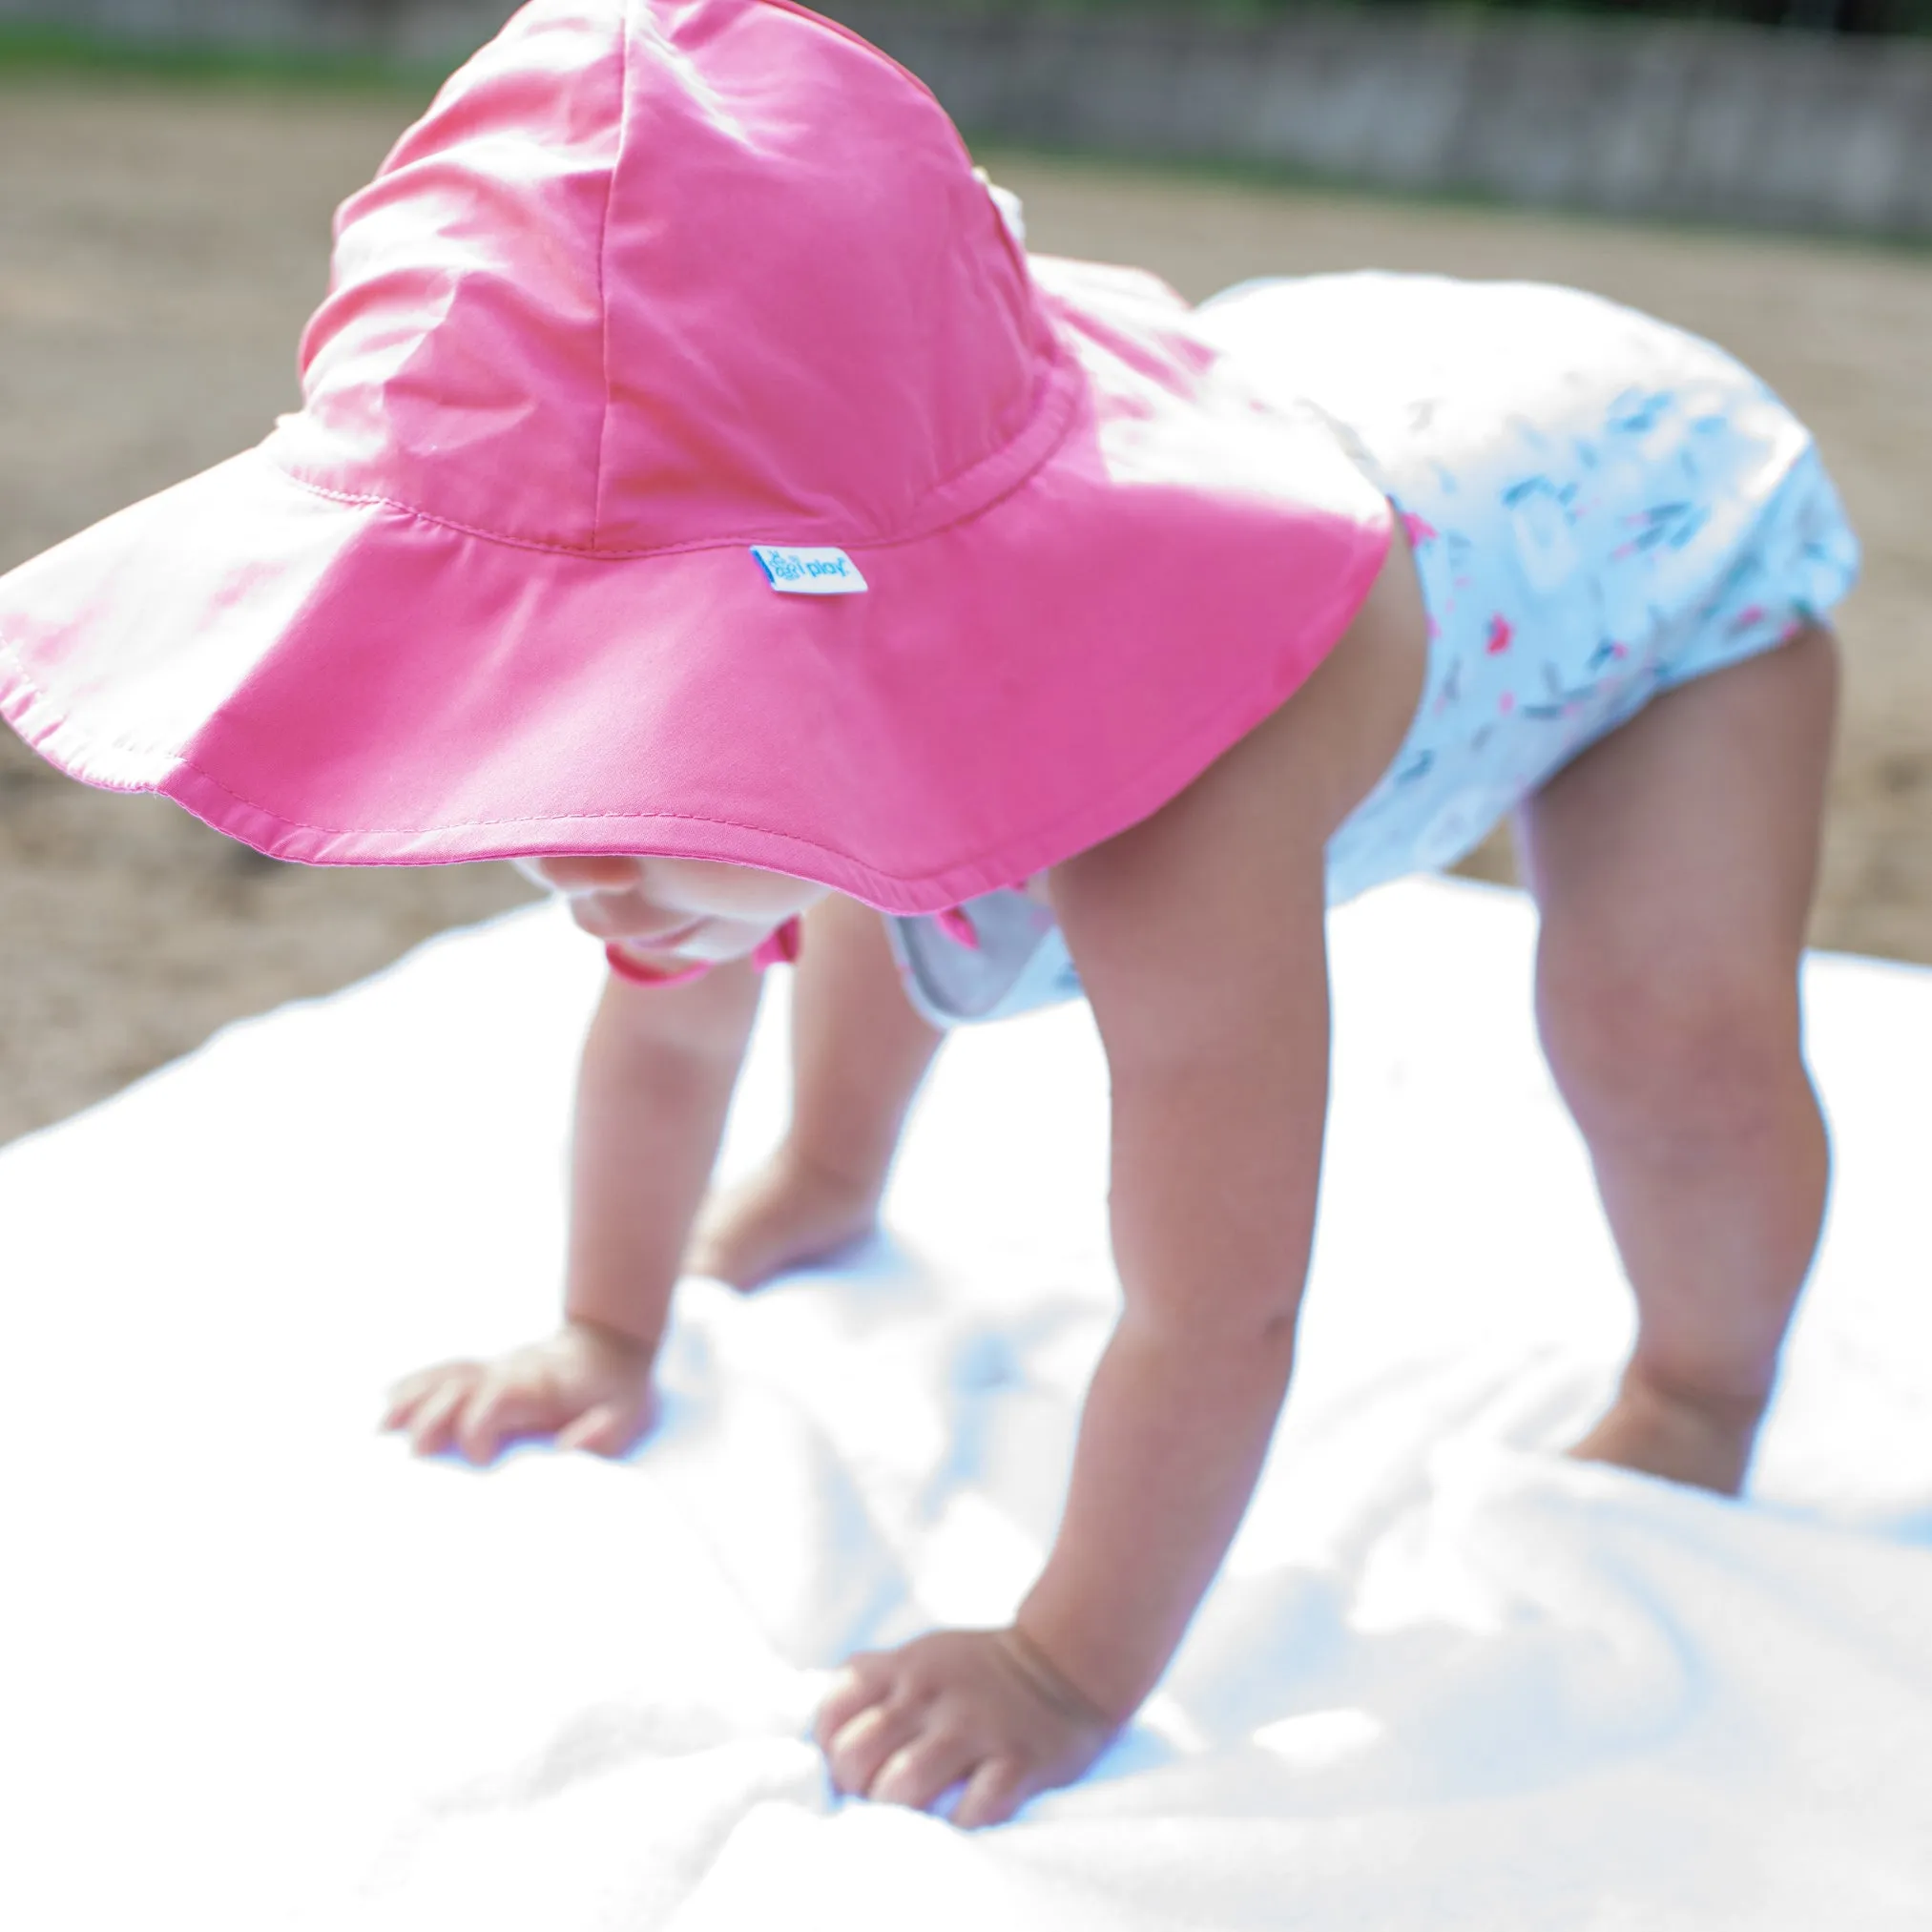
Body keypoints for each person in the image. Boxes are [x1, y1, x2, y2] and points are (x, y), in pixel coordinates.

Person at [0, 0, 1856, 1832]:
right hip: (1324, 383)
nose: (575, 858)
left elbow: (1219, 1306)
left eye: (642, 738)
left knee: (1662, 1039)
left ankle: (1702, 1376)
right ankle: (829, 1162)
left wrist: (1060, 1661)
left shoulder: (1183, 795)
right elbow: (675, 1003)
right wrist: (604, 1330)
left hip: (1638, 532)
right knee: (840, 861)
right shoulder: (797, 706)